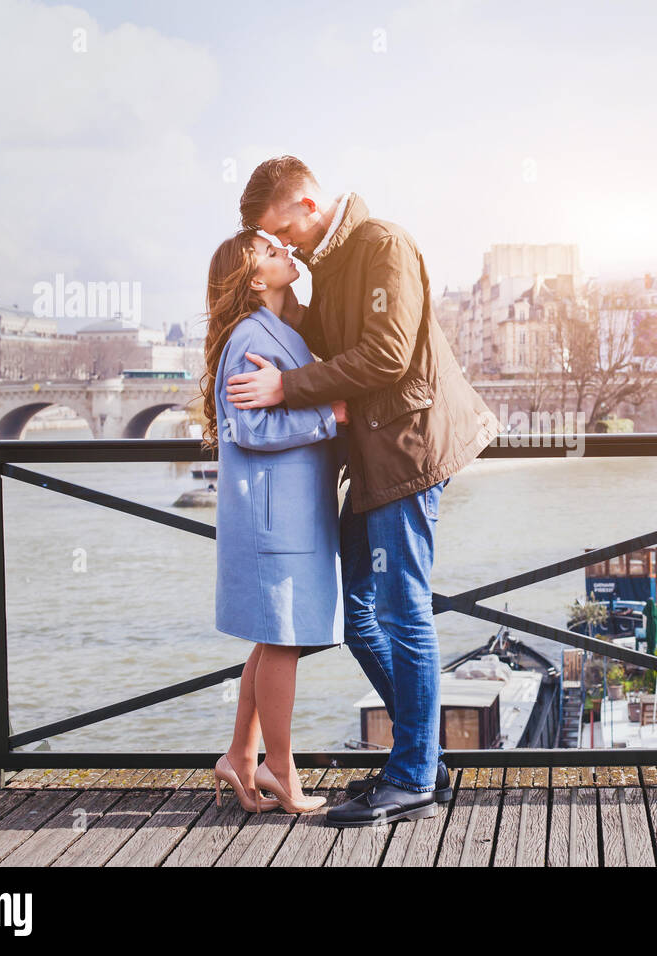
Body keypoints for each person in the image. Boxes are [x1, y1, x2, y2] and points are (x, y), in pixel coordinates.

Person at [227, 156, 498, 827]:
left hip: (406, 449)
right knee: (361, 615)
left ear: (309, 204)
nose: (284, 245)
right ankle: (422, 759)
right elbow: (324, 349)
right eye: (273, 241)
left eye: (283, 230)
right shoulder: (335, 265)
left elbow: (385, 356)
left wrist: (285, 389)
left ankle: (411, 777)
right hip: (375, 458)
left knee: (403, 611)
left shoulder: (382, 245)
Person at [201, 229, 349, 815]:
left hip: (289, 511)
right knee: (285, 640)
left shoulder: (280, 331)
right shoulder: (248, 338)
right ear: (255, 280)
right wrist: (331, 417)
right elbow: (250, 429)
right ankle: (280, 771)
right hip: (275, 520)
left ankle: (241, 755)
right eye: (268, 251)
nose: (283, 251)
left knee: (273, 638)